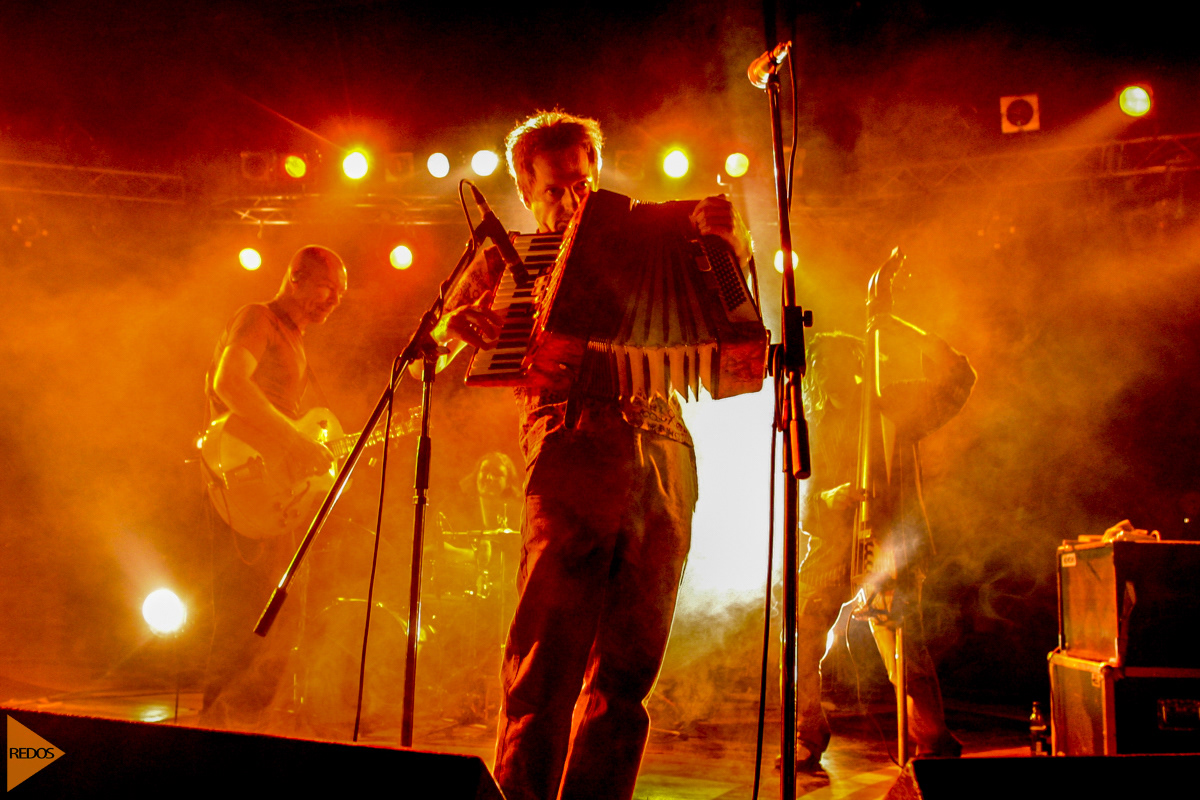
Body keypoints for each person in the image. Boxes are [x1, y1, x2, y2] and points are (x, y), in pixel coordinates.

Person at [427, 110, 752, 800]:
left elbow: (731, 326)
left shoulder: (652, 241)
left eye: (582, 183)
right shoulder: (509, 257)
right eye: (554, 190)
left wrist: (731, 251)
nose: (573, 200)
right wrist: (456, 324)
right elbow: (429, 348)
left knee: (628, 672)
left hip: (664, 452)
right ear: (525, 191)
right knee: (546, 661)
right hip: (569, 446)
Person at [794, 317, 975, 776]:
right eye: (822, 366)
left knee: (904, 648)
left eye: (840, 364)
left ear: (859, 365)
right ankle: (805, 736)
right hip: (832, 548)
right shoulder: (812, 422)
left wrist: (902, 329)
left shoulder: (893, 405)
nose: (830, 375)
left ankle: (932, 744)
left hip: (891, 543)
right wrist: (829, 498)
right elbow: (801, 499)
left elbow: (958, 379)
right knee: (800, 637)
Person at [200, 245, 347, 729]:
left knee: (277, 617)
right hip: (243, 480)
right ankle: (218, 732)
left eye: (341, 294)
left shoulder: (295, 340)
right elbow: (229, 383)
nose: (334, 300)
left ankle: (248, 730)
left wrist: (308, 450)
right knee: (248, 618)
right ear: (296, 277)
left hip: (271, 490)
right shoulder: (258, 318)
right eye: (327, 287)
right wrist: (292, 441)